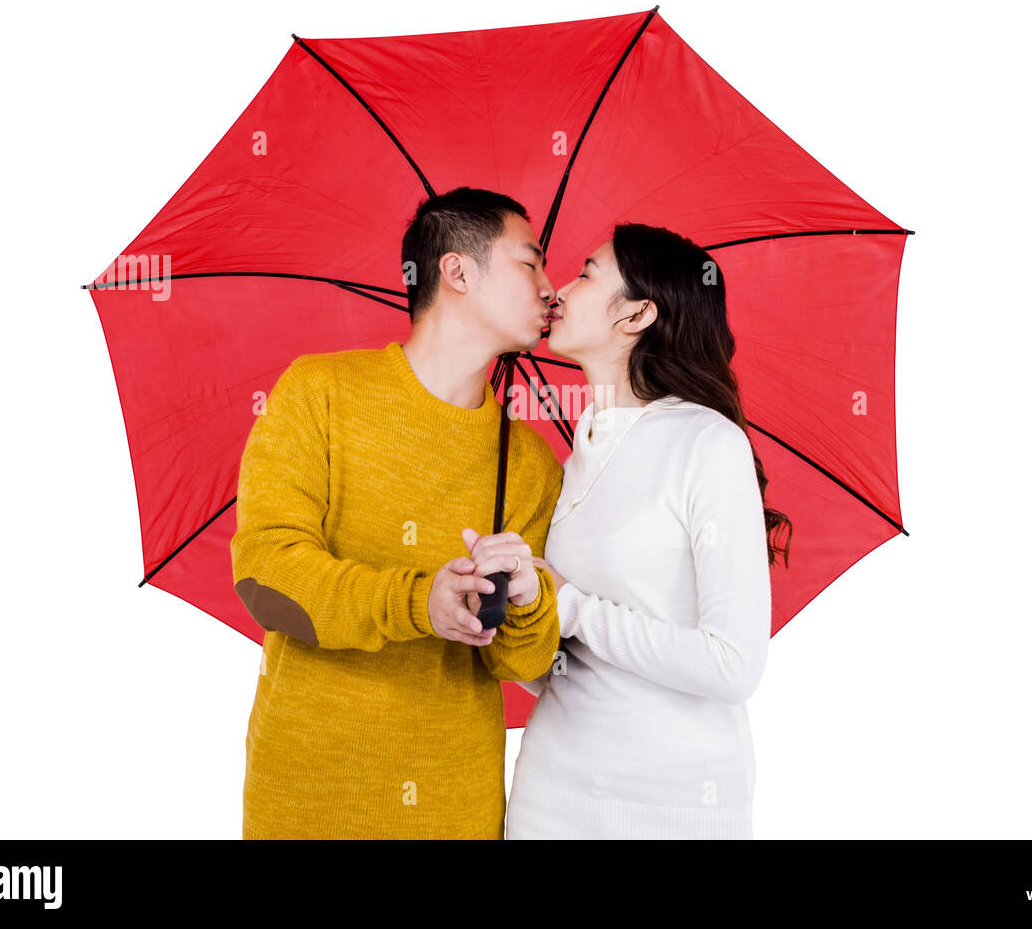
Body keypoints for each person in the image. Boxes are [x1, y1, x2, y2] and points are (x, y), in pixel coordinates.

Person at [231, 186, 564, 838]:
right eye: (531, 263)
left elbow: (526, 664)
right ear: (458, 271)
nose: (552, 287)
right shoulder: (318, 393)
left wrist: (522, 602)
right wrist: (420, 603)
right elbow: (266, 578)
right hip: (308, 802)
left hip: (454, 809)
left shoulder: (528, 462)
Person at [505, 222, 791, 839]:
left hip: (672, 806)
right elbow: (569, 668)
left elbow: (733, 665)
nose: (559, 289)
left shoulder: (705, 442)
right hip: (549, 799)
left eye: (585, 273)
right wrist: (515, 610)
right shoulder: (576, 454)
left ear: (636, 314)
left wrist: (569, 604)